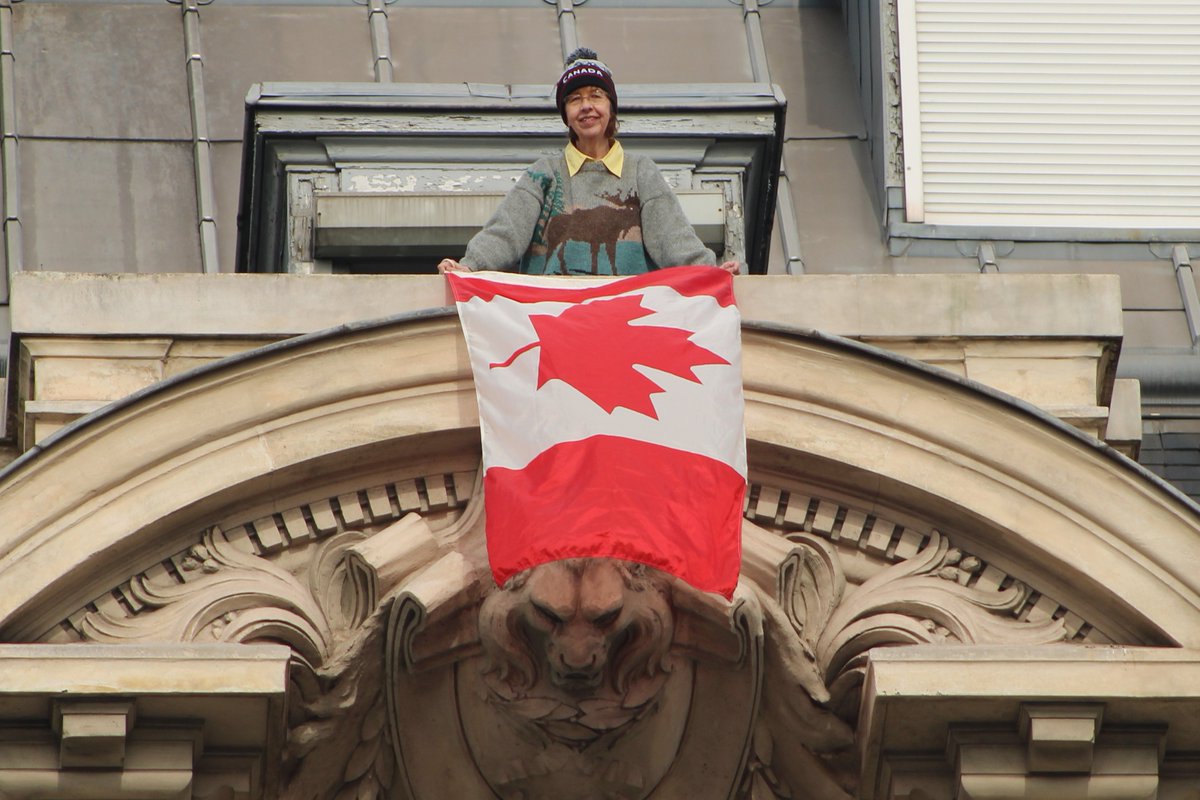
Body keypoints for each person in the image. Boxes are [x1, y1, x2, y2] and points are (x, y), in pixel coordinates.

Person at [438, 48, 739, 276]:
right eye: (574, 99)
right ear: (566, 114)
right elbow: (506, 233)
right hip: (555, 315)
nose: (586, 107)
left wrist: (710, 273)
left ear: (611, 107)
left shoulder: (640, 171)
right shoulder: (545, 173)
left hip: (625, 315)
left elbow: (673, 239)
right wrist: (470, 266)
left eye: (596, 95)